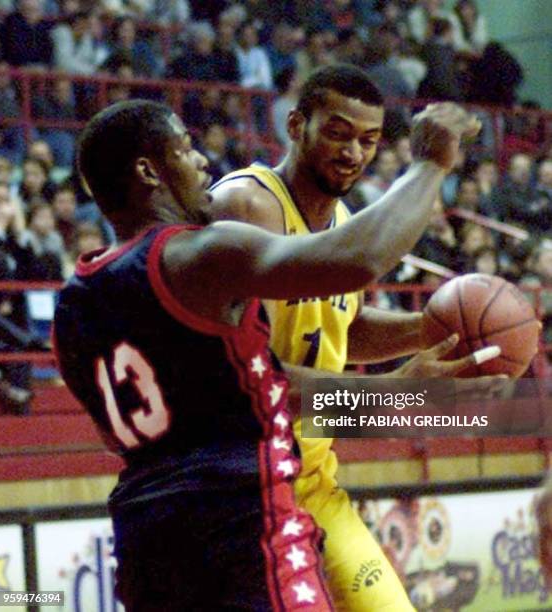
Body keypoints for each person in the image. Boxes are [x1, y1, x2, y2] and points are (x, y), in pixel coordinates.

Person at [53, 98, 487, 611]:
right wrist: (430, 164)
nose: (201, 165)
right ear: (149, 171)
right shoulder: (200, 253)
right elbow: (356, 259)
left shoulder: (72, 304)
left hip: (146, 542)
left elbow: (251, 387)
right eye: (186, 150)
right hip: (241, 526)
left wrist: (409, 361)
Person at [209, 64, 483, 611]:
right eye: (338, 133)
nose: (353, 153)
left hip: (312, 482)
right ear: (296, 125)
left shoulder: (340, 218)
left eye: (368, 141)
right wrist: (392, 396)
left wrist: (432, 329)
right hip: (238, 487)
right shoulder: (249, 205)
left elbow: (340, 327)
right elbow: (254, 377)